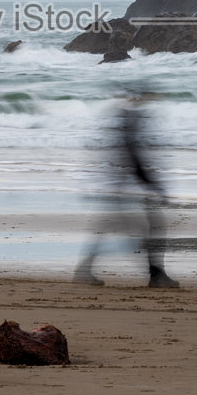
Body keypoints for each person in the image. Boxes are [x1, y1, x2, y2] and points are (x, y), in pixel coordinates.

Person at [74, 93, 180, 289]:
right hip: (123, 193)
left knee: (110, 229)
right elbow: (135, 161)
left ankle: (84, 270)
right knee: (154, 227)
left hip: (116, 191)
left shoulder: (120, 126)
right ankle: (156, 275)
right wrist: (154, 186)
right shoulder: (129, 128)